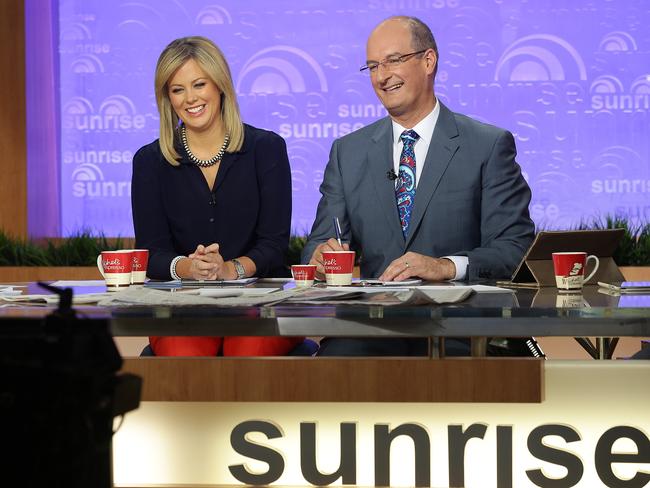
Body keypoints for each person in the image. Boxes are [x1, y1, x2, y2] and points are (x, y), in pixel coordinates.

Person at [302, 16, 536, 356]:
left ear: (429, 61)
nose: (382, 76)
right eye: (372, 66)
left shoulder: (487, 145)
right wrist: (321, 258)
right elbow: (318, 246)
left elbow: (515, 249)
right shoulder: (347, 153)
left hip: (463, 330)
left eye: (393, 60)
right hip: (372, 330)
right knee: (331, 364)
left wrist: (445, 266)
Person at [131, 36, 302, 356]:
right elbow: (151, 253)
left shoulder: (266, 149)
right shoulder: (149, 162)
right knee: (186, 354)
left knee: (248, 351)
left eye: (199, 84)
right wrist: (189, 268)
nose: (190, 98)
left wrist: (229, 270)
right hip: (183, 310)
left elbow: (274, 245)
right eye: (177, 89)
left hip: (259, 305)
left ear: (220, 84)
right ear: (167, 98)